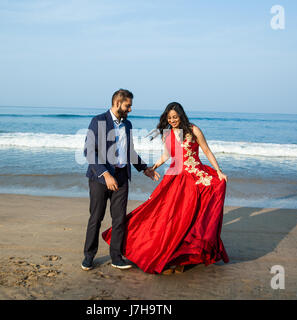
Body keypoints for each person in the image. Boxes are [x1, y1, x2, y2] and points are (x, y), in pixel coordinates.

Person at [102, 102, 229, 274]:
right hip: (175, 177)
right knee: (167, 214)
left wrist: (218, 171)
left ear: (181, 115)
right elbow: (167, 155)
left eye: (175, 117)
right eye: (169, 118)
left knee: (192, 215)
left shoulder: (194, 130)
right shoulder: (167, 134)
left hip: (195, 177)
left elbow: (206, 150)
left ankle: (185, 256)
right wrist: (154, 166)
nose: (172, 120)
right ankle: (165, 254)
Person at [82, 89, 160, 271]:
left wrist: (144, 169)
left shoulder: (128, 125)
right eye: (128, 105)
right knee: (96, 217)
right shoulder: (98, 121)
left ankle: (116, 257)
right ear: (117, 103)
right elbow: (89, 151)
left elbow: (130, 152)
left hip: (122, 177)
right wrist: (106, 174)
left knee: (119, 219)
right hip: (99, 179)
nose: (130, 109)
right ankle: (88, 256)